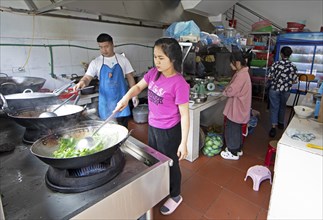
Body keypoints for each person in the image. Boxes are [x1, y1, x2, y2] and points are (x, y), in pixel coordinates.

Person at [114, 37, 190, 215]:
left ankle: (176, 194)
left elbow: (185, 115)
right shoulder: (154, 74)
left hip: (170, 131)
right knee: (156, 160)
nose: (157, 61)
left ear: (173, 59)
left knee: (171, 163)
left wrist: (184, 142)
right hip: (154, 126)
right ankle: (160, 188)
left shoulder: (179, 84)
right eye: (155, 57)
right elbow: (138, 87)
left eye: (161, 58)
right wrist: (125, 99)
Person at [73, 33, 139, 128]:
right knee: (108, 131)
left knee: (123, 129)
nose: (104, 50)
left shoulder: (123, 60)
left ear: (112, 44)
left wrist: (134, 95)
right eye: (101, 47)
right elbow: (87, 77)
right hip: (105, 104)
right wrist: (82, 82)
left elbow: (130, 78)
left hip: (122, 102)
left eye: (106, 46)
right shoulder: (96, 62)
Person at [220, 51, 252, 160]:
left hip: (237, 108)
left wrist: (224, 91)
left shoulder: (241, 75)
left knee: (232, 127)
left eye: (232, 63)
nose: (230, 65)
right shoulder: (243, 72)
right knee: (236, 128)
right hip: (239, 106)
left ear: (237, 62)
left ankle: (232, 152)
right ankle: (237, 149)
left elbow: (232, 90)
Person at [268, 46, 297, 137]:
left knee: (274, 107)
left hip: (274, 89)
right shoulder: (293, 66)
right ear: (290, 55)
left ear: (281, 54)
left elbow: (270, 76)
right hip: (286, 90)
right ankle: (281, 123)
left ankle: (273, 127)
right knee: (283, 106)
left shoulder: (275, 64)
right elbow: (295, 80)